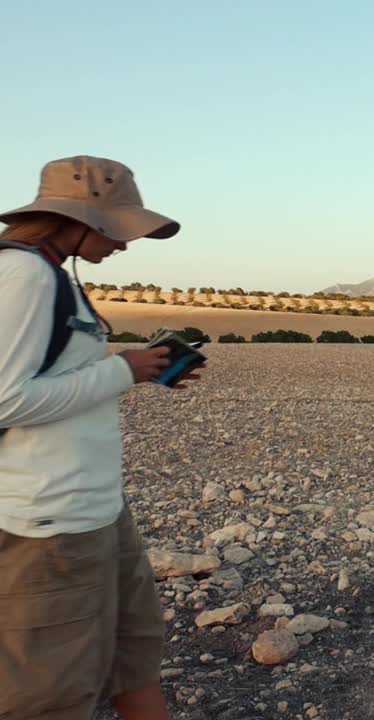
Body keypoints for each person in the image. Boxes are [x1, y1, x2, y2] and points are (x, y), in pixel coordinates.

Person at [0, 156, 199, 720]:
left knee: (131, 651)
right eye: (118, 228)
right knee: (47, 693)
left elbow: (53, 376)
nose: (125, 243)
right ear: (79, 218)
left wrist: (147, 369)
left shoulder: (49, 275)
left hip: (94, 510)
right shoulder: (25, 277)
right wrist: (123, 371)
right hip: (48, 521)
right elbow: (4, 398)